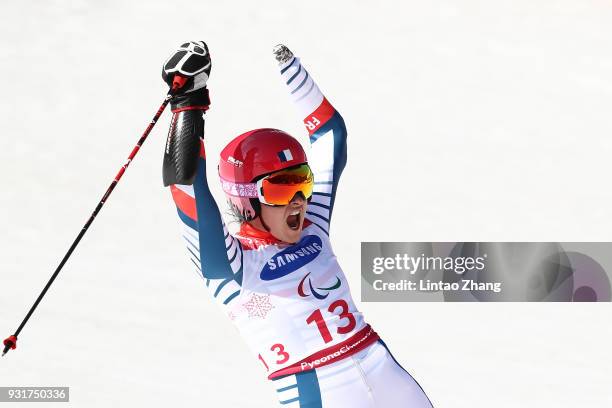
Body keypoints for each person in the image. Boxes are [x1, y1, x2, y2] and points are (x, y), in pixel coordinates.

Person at [161, 40, 433, 408]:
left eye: (302, 182)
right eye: (280, 189)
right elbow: (189, 189)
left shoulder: (313, 226)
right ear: (247, 201)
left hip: (381, 366)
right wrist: (188, 105)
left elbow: (330, 135)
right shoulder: (234, 265)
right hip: (319, 389)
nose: (299, 201)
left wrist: (294, 73)